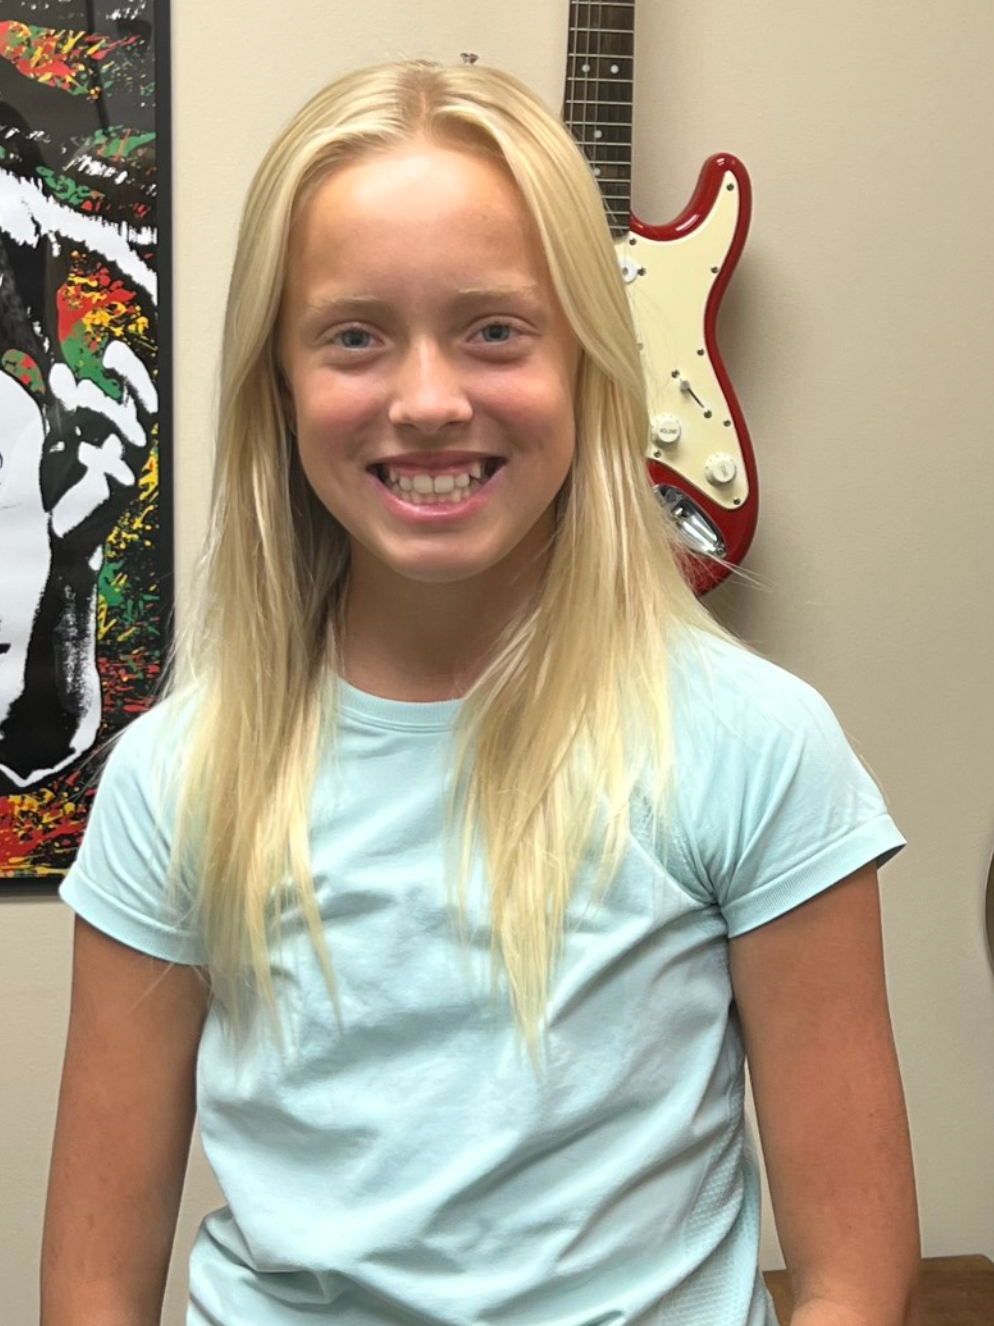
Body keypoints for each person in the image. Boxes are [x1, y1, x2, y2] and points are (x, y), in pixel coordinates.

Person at [41, 59, 921, 1326]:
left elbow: (852, 1281)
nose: (430, 400)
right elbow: (89, 1287)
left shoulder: (756, 749)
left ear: (589, 361)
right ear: (277, 385)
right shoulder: (174, 781)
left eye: (495, 329)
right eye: (354, 335)